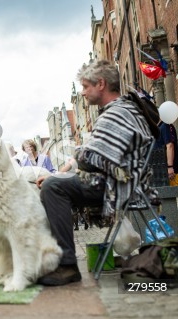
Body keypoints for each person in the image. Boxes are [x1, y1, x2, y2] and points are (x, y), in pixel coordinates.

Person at [36, 60, 158, 286]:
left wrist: (65, 169)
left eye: (85, 86)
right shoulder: (123, 109)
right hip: (123, 181)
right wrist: (69, 166)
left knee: (53, 189)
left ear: (100, 84)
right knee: (55, 183)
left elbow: (93, 160)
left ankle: (66, 265)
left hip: (120, 186)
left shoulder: (116, 114)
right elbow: (92, 156)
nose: (82, 92)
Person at [155, 120, 178, 186]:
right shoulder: (159, 126)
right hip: (160, 171)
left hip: (168, 171)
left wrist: (170, 167)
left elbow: (170, 146)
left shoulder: (165, 125)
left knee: (170, 193)